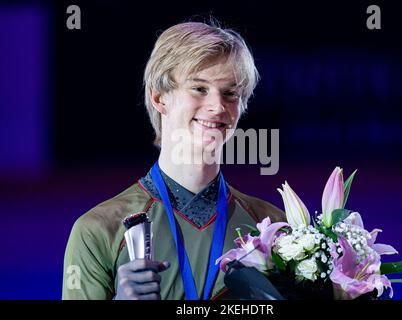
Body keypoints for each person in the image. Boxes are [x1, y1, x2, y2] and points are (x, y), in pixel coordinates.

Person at [62, 20, 286, 300]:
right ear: (159, 97)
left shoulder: (274, 228)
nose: (217, 106)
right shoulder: (96, 231)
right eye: (199, 89)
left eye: (230, 93)